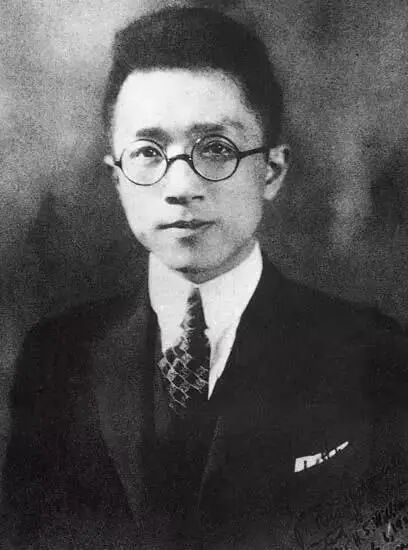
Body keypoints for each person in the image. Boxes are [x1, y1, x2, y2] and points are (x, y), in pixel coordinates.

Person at [2, 6, 408, 549]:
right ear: (116, 177)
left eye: (216, 149)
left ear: (272, 171)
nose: (181, 186)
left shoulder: (370, 354)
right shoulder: (57, 356)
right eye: (148, 152)